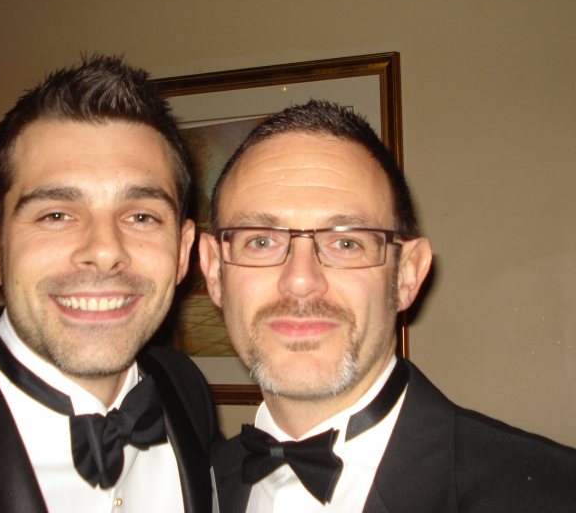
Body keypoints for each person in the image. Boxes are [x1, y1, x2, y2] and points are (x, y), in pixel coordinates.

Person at [0, 55, 220, 513]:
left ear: (184, 249)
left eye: (142, 216)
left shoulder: (184, 391)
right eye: (56, 215)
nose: (105, 250)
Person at [199, 100, 576, 512]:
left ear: (407, 276)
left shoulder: (552, 494)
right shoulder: (190, 487)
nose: (301, 279)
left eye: (346, 243)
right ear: (215, 272)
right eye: (261, 241)